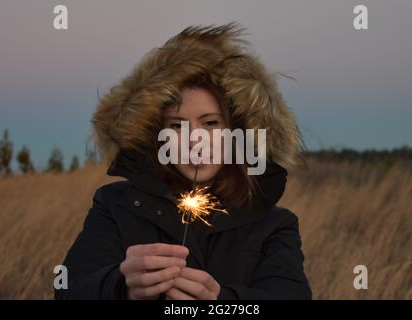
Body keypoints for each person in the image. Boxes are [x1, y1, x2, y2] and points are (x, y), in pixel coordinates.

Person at [55, 22, 312, 300]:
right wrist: (122, 287)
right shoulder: (116, 205)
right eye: (177, 126)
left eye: (211, 123)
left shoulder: (274, 223)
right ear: (156, 135)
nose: (194, 140)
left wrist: (222, 302)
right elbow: (70, 289)